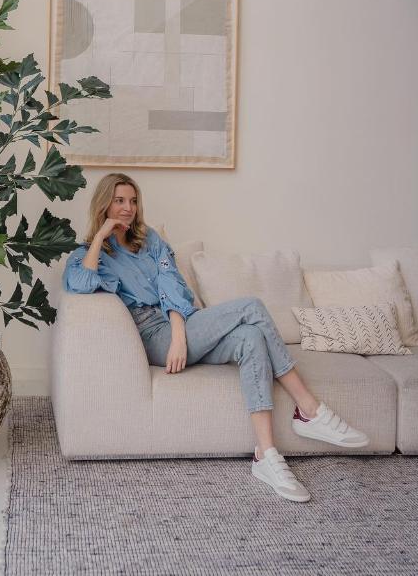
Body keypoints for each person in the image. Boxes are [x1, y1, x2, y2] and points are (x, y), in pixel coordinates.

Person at [62, 173, 369, 503]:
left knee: (251, 337)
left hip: (180, 325)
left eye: (133, 201)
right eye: (119, 201)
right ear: (104, 204)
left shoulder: (149, 240)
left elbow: (172, 285)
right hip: (152, 334)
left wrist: (179, 334)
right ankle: (309, 409)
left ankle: (266, 455)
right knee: (251, 307)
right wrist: (101, 237)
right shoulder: (88, 254)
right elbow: (80, 283)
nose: (128, 208)